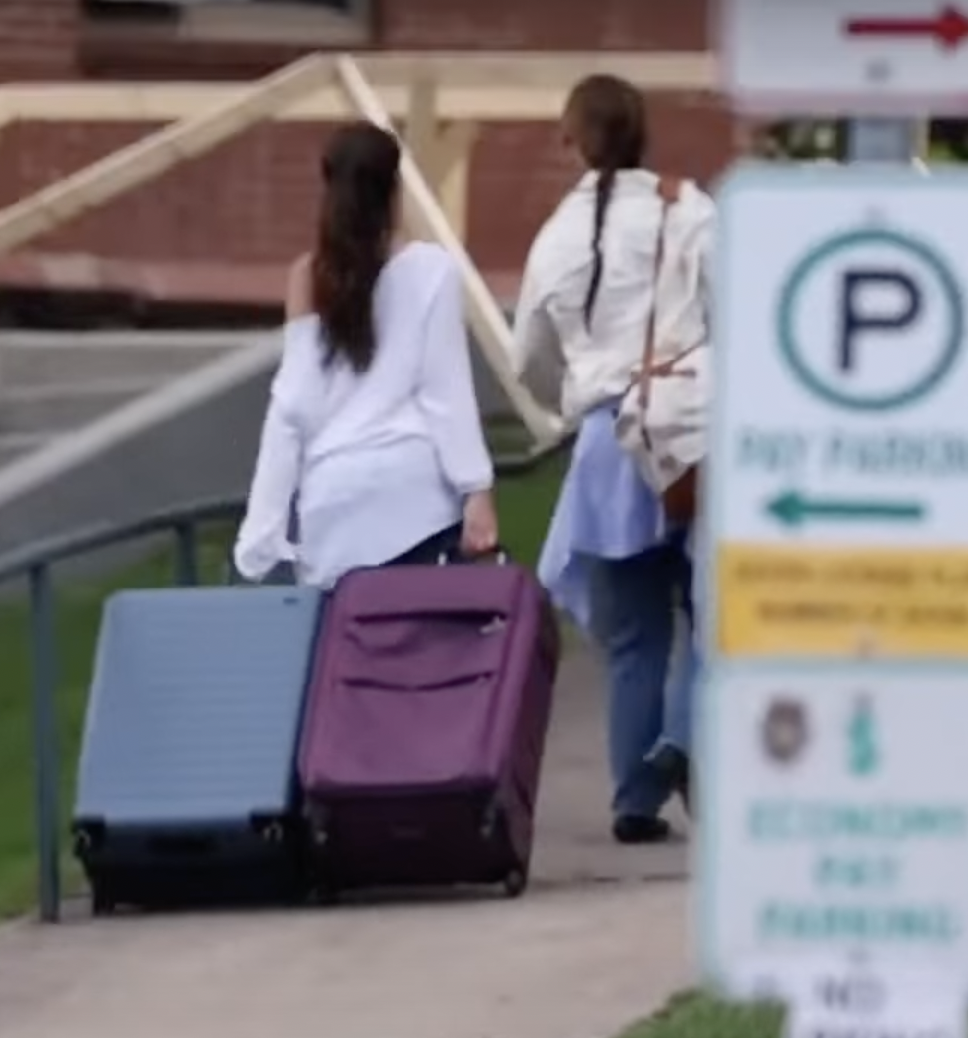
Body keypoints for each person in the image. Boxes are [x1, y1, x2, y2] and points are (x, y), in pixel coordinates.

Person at [512, 73, 712, 844]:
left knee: (633, 639)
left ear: (571, 140)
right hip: (690, 431)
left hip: (606, 440)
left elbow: (527, 353)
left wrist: (573, 399)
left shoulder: (555, 238)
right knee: (715, 617)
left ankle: (634, 800)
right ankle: (684, 742)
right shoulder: (690, 210)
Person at [234, 121, 499, 588]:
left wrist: (261, 529)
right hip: (415, 500)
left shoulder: (308, 277)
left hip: (334, 505)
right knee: (425, 651)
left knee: (351, 654)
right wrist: (476, 489)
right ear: (396, 188)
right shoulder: (431, 270)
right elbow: (446, 393)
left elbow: (292, 406)